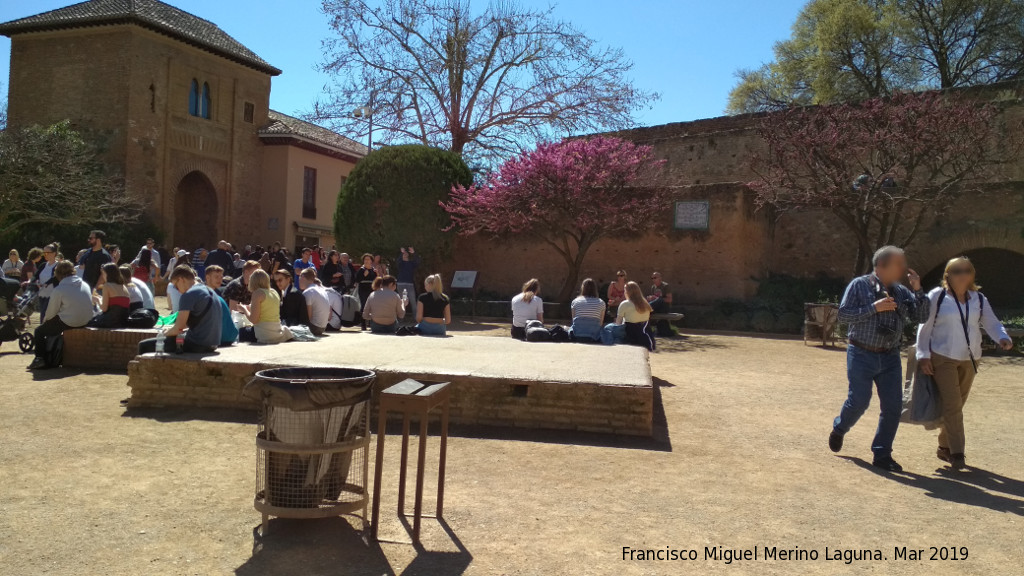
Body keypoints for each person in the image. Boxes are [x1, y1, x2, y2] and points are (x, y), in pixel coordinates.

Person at [828, 246, 930, 473]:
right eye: (899, 264)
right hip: (862, 353)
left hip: (890, 357)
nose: (904, 268)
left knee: (893, 407)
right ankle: (840, 428)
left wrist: (919, 290)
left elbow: (921, 316)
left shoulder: (901, 291)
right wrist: (873, 308)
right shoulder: (859, 285)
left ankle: (882, 454)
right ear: (882, 265)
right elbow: (843, 316)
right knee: (859, 401)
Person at [915, 257, 1013, 470]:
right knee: (952, 405)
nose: (963, 274)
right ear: (948, 275)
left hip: (970, 358)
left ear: (972, 275)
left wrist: (1003, 337)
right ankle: (957, 453)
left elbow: (991, 322)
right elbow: (925, 326)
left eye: (967, 270)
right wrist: (923, 355)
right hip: (943, 357)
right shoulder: (937, 297)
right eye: (957, 270)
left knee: (957, 406)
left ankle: (944, 445)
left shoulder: (978, 298)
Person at [138, 265, 222, 354]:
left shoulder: (188, 295)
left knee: (143, 345)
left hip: (196, 344)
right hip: (213, 344)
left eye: (176, 286)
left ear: (181, 279)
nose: (177, 290)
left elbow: (178, 328)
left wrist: (163, 334)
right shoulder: (210, 291)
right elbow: (188, 324)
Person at [28, 261, 94, 370]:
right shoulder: (85, 284)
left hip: (70, 321)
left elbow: (51, 312)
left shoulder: (59, 289)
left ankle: (39, 359)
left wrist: (46, 321)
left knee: (39, 331)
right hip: (86, 320)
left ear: (57, 274)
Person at [238, 269, 293, 344]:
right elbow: (266, 309)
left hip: (264, 333)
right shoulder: (274, 292)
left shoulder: (257, 293)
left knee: (238, 331)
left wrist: (244, 309)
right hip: (277, 331)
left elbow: (254, 320)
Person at [613, 281, 655, 350]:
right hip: (645, 338)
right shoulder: (646, 304)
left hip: (630, 337)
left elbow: (618, 323)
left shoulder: (625, 304)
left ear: (627, 292)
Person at [205, 265, 238, 347]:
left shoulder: (220, 293)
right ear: (207, 277)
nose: (220, 280)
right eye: (216, 277)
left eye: (221, 277)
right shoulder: (204, 294)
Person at [90, 262, 131, 328]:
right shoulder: (123, 286)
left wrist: (97, 300)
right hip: (123, 321)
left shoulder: (107, 285)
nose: (103, 276)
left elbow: (104, 309)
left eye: (103, 273)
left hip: (110, 321)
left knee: (87, 322)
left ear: (108, 274)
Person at [569, 278, 606, 342]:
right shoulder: (601, 303)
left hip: (577, 334)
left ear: (583, 288)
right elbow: (600, 323)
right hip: (594, 335)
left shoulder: (575, 301)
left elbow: (574, 320)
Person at [299, 268, 331, 336]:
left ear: (303, 277)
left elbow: (308, 317)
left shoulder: (308, 292)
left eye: (299, 277)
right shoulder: (321, 290)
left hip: (314, 328)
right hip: (323, 327)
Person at [36, 244, 59, 320]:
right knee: (43, 313)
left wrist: (47, 283)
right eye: (44, 253)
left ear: (54, 253)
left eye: (47, 253)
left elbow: (55, 277)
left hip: (52, 294)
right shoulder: (43, 265)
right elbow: (36, 276)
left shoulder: (58, 265)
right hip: (42, 293)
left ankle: (42, 330)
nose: (44, 255)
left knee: (44, 314)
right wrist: (35, 281)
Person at [396, 246, 420, 318]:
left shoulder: (411, 263)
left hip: (410, 284)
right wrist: (401, 253)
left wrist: (414, 253)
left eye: (406, 253)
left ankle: (416, 318)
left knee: (413, 301)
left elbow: (418, 261)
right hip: (401, 284)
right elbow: (398, 261)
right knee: (402, 301)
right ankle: (401, 317)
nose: (405, 254)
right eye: (404, 253)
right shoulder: (401, 263)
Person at [355, 253, 378, 330]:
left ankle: (371, 323)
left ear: (371, 261)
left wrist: (377, 274)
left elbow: (376, 280)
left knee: (372, 306)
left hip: (371, 289)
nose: (366, 261)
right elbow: (357, 280)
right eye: (365, 259)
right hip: (363, 289)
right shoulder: (361, 269)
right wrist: (363, 275)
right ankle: (363, 324)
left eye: (368, 259)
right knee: (364, 305)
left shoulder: (373, 270)